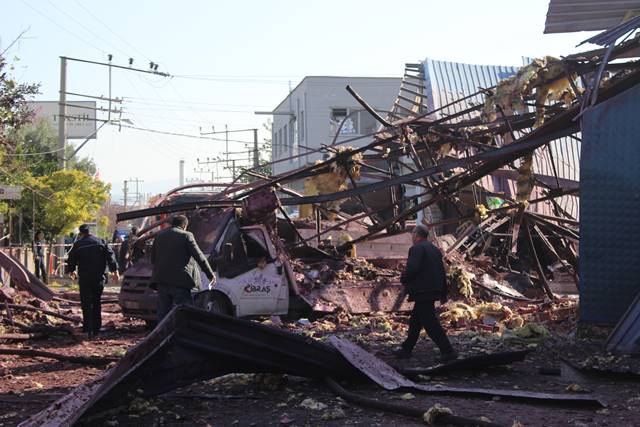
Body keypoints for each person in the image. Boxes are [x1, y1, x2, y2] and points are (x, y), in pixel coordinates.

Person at [393, 225, 457, 362]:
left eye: (412, 234)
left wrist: (404, 278)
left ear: (417, 235)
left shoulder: (416, 248)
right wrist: (443, 291)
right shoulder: (434, 249)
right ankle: (406, 349)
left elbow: (413, 268)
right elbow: (441, 271)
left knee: (430, 322)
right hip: (432, 289)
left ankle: (448, 351)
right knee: (416, 321)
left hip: (423, 290)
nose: (411, 236)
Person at [151, 215, 216, 321]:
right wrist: (210, 274)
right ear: (184, 225)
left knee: (163, 314)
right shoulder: (186, 235)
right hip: (180, 282)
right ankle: (186, 335)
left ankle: (162, 335)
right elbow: (199, 256)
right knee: (187, 313)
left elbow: (153, 259)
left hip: (161, 281)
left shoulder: (159, 235)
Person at [66, 224, 119, 337]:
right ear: (90, 231)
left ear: (80, 233)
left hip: (85, 278)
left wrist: (71, 270)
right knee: (96, 301)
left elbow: (71, 258)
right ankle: (96, 328)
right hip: (99, 277)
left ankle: (87, 327)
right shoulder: (100, 241)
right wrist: (115, 271)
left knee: (86, 303)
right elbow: (110, 255)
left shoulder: (78, 244)